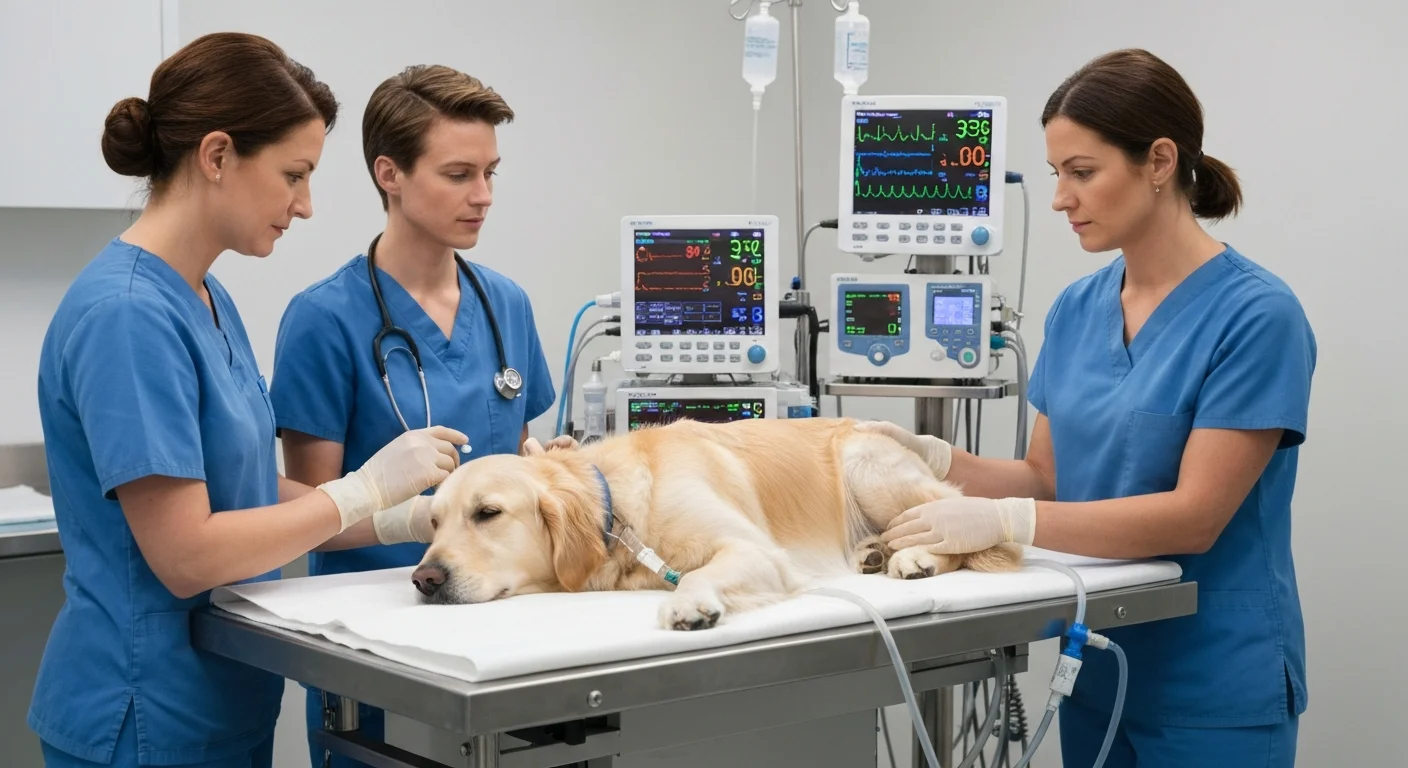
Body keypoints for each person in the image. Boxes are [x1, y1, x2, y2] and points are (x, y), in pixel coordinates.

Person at [29, 33, 469, 768]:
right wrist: (359, 486)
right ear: (217, 156)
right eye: (293, 175)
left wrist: (397, 513)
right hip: (143, 714)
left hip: (217, 704)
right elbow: (186, 553)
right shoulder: (129, 316)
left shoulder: (206, 296)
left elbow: (242, 488)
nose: (305, 205)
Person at [866, 49, 1313, 767]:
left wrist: (1008, 523)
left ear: (1159, 161)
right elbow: (1045, 477)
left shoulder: (1257, 317)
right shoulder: (1079, 308)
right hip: (1096, 669)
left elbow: (1195, 517)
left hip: (1214, 689)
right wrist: (937, 460)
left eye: (1082, 173)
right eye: (1055, 175)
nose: (1059, 199)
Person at [268, 64, 558, 767]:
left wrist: (557, 472)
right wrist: (402, 514)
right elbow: (310, 513)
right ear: (389, 174)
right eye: (458, 174)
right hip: (384, 643)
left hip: (509, 627)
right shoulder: (324, 319)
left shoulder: (506, 304)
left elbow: (520, 457)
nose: (483, 196)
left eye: (491, 172)